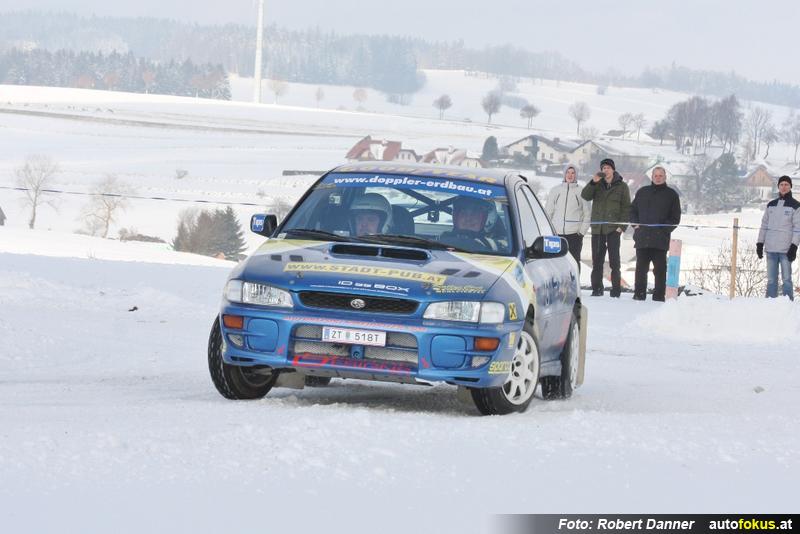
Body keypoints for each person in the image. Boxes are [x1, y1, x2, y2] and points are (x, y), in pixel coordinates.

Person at [629, 166, 682, 301]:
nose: (658, 178)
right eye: (655, 175)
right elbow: (632, 210)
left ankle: (658, 297)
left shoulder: (672, 195)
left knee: (660, 270)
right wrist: (635, 225)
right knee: (641, 269)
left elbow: (675, 218)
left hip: (660, 240)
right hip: (642, 238)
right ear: (651, 177)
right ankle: (639, 295)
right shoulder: (642, 192)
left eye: (660, 176)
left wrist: (663, 230)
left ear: (665, 177)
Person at [581, 158, 631, 297]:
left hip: (613, 229)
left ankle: (616, 290)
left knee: (615, 262)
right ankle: (597, 289)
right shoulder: (597, 184)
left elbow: (626, 208)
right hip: (598, 229)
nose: (606, 170)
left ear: (613, 170)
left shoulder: (622, 186)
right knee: (597, 261)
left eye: (608, 168)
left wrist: (621, 227)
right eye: (603, 168)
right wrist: (593, 182)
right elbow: (585, 196)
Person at [756, 175, 800, 300]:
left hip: (786, 250)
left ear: (790, 186)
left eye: (786, 184)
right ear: (778, 187)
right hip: (770, 249)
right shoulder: (771, 205)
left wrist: (794, 246)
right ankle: (770, 304)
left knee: (787, 280)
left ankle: (787, 304)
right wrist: (760, 243)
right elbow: (764, 225)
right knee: (771, 280)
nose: (784, 187)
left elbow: (798, 228)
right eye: (781, 184)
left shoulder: (796, 206)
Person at [545, 165, 591, 272]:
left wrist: (581, 232)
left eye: (573, 173)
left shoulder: (582, 191)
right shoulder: (555, 190)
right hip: (556, 235)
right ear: (564, 174)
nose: (570, 175)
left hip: (574, 235)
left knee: (574, 263)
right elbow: (548, 212)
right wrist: (548, 231)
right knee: (555, 263)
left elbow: (587, 214)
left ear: (576, 175)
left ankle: (575, 282)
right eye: (568, 172)